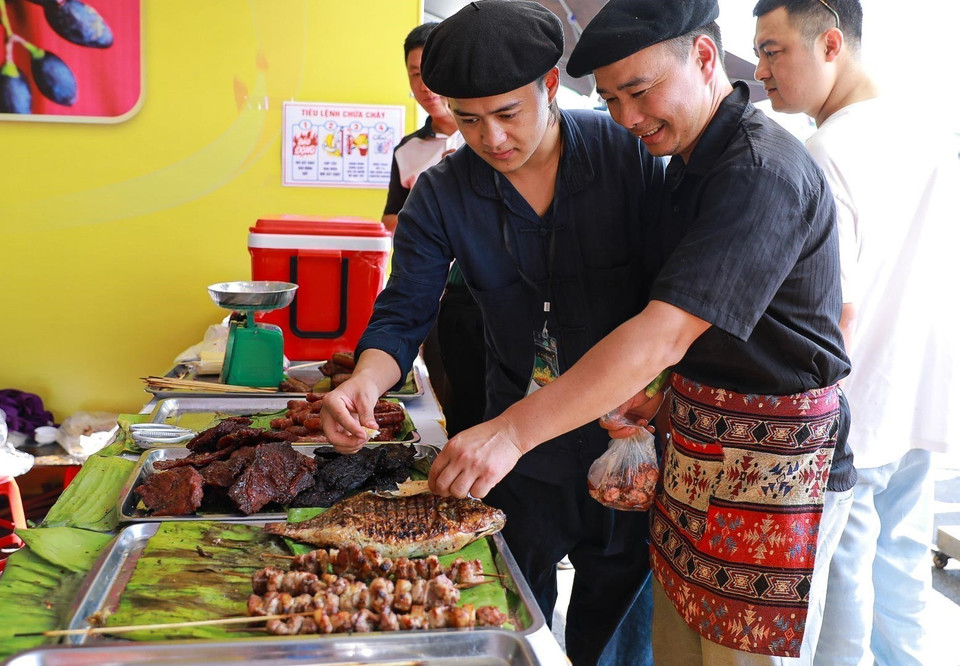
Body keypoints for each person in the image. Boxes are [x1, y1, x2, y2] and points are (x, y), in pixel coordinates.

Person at [424, 0, 860, 663]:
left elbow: (663, 334)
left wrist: (513, 431)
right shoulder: (685, 163)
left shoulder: (759, 171)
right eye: (609, 98)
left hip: (773, 467)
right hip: (695, 458)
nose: (627, 117)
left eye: (640, 90)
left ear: (705, 59)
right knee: (677, 650)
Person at [319, 3, 665, 664]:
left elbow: (678, 300)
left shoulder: (630, 157)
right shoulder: (441, 194)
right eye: (469, 119)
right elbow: (403, 310)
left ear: (551, 88)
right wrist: (365, 381)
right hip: (516, 451)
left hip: (632, 444)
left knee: (621, 634)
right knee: (506, 625)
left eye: (509, 114)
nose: (493, 139)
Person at [751, 2, 959, 664]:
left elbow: (830, 311)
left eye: (773, 50)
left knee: (841, 577)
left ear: (830, 42)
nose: (760, 72)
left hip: (855, 406)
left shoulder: (825, 151)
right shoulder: (929, 129)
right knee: (899, 571)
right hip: (922, 398)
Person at [383, 23, 485, 437]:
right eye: (413, 72)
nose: (424, 82)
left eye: (431, 68)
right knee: (450, 398)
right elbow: (391, 218)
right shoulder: (408, 149)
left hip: (492, 291)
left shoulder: (486, 137)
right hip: (440, 296)